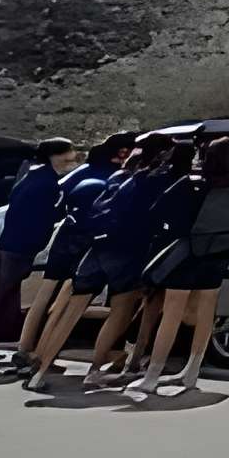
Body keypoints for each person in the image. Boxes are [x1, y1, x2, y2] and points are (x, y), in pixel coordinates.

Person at [135, 135, 229, 395]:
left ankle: (153, 375)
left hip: (188, 253)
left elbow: (157, 213)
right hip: (219, 255)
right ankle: (192, 371)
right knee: (206, 313)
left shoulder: (192, 183)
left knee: (173, 313)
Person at [22, 131, 137, 391]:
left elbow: (58, 207)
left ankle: (35, 358)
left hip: (76, 243)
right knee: (116, 309)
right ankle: (103, 365)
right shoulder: (122, 180)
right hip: (105, 249)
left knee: (60, 303)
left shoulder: (86, 176)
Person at [0, 137, 77, 371]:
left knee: (0, 295)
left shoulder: (31, 178)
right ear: (56, 155)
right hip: (23, 248)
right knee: (6, 297)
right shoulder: (47, 184)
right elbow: (45, 218)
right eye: (68, 153)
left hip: (10, 244)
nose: (72, 158)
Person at [77, 136, 180, 388]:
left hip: (108, 246)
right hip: (134, 251)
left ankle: (103, 365)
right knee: (124, 312)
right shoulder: (157, 180)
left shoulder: (125, 175)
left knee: (119, 312)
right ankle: (102, 367)